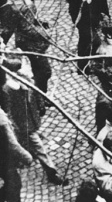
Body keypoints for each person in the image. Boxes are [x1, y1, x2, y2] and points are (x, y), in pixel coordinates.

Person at [2, 54, 68, 186]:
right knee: (40, 148)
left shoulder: (26, 80)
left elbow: (36, 92)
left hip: (32, 121)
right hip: (22, 125)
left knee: (28, 143)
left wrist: (40, 105)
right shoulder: (7, 90)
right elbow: (8, 112)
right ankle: (52, 172)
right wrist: (15, 126)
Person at [0, 0, 53, 93]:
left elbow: (19, 23)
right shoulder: (26, 5)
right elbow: (27, 28)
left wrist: (39, 22)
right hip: (32, 44)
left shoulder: (13, 0)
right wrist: (44, 33)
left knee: (36, 69)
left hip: (22, 42)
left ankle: (38, 93)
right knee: (45, 71)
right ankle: (41, 96)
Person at [0, 104, 33, 202]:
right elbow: (12, 144)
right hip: (3, 159)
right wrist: (26, 157)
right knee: (14, 183)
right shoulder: (1, 120)